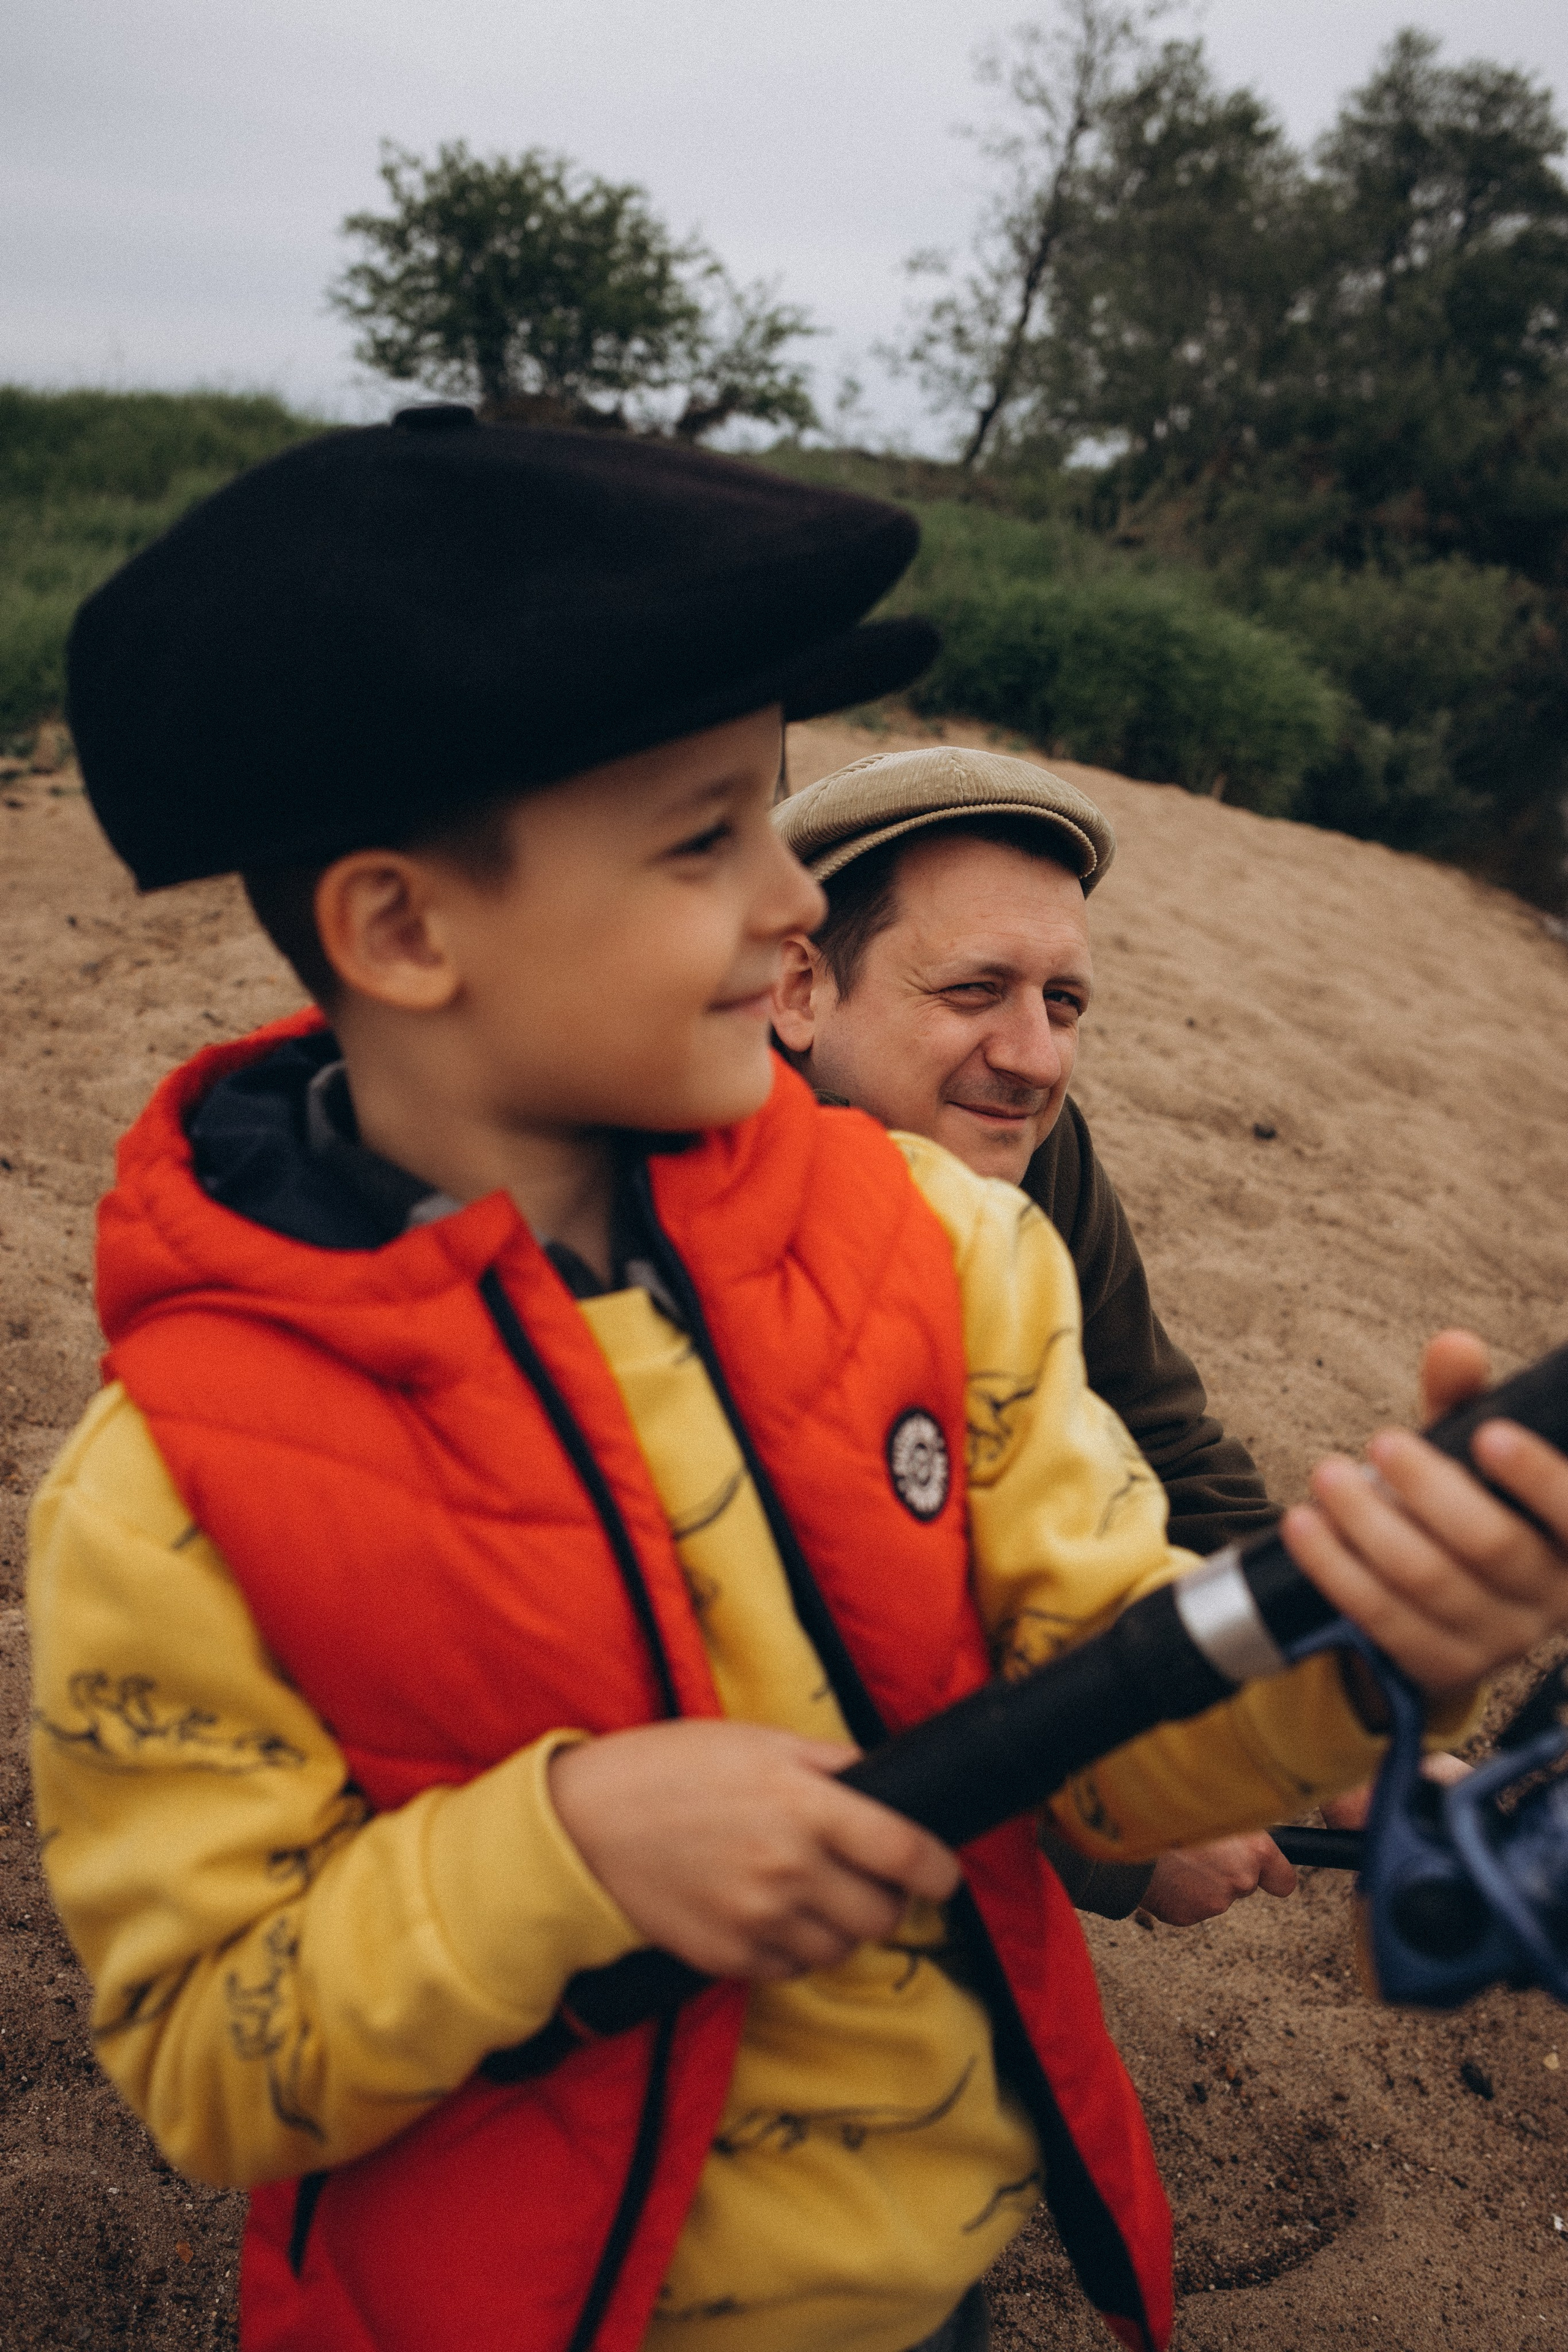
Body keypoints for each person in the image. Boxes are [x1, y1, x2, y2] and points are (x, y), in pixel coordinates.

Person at [28, 412, 1568, 2352]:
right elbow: (206, 2062)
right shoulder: (168, 1486)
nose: (786, 907)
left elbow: (1099, 1757)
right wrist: (567, 1855)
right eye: (706, 837)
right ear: (403, 929)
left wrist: (1372, 1645)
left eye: (772, 812)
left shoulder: (957, 1251)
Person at [771, 747, 1310, 1927]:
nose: (1036, 1057)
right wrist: (1106, 1844)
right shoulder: (703, 1202)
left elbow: (1158, 1428)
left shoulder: (1018, 1138)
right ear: (799, 990)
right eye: (975, 990)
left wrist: (1340, 1690)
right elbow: (818, 1650)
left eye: (1062, 1002)